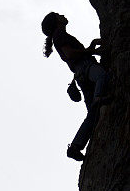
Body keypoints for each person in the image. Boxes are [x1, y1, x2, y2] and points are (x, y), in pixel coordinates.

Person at [41, 12, 110, 161]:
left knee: (93, 115)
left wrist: (91, 46)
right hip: (84, 67)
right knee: (102, 77)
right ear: (56, 21)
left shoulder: (59, 36)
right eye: (59, 15)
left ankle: (75, 147)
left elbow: (74, 54)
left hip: (81, 73)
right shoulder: (59, 34)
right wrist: (92, 51)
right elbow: (70, 54)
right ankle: (98, 97)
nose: (62, 15)